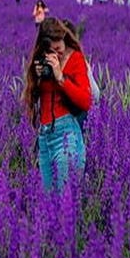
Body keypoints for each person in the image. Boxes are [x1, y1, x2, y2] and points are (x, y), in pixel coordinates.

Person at [22, 17, 91, 193]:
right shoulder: (43, 59)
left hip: (66, 135)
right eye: (53, 50)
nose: (58, 53)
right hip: (45, 137)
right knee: (48, 201)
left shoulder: (75, 58)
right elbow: (34, 98)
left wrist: (61, 77)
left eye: (60, 48)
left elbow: (86, 100)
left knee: (64, 200)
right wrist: (36, 77)